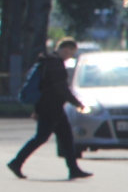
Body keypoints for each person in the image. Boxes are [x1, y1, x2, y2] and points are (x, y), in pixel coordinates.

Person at [8, 38, 92, 180]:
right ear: (66, 49)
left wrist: (37, 109)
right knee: (41, 138)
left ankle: (74, 169)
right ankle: (16, 163)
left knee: (66, 138)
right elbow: (61, 89)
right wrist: (78, 104)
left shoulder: (47, 61)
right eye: (71, 53)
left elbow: (43, 87)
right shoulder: (55, 64)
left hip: (51, 108)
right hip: (51, 109)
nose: (70, 57)